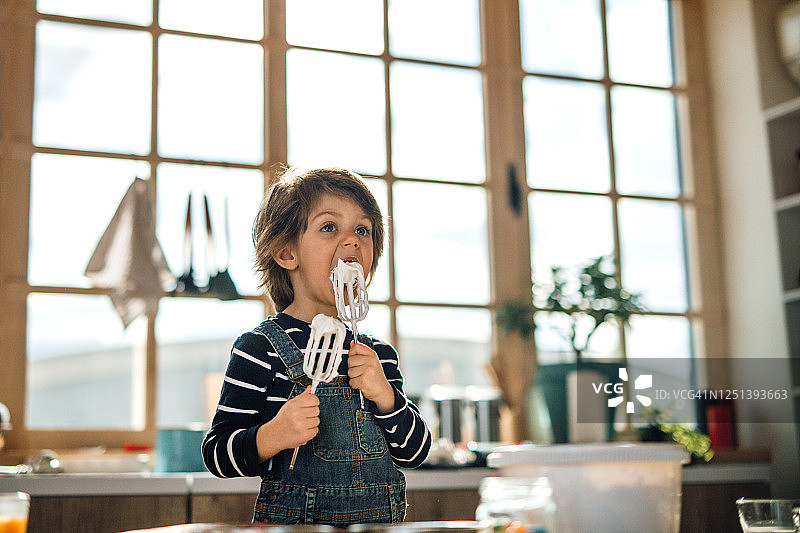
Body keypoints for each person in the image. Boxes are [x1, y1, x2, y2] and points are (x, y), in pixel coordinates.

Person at [202, 167, 432, 527]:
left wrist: (385, 396)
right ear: (286, 253)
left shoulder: (379, 356)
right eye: (329, 227)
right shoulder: (261, 349)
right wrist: (273, 434)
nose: (352, 241)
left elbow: (416, 452)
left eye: (363, 230)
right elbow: (217, 454)